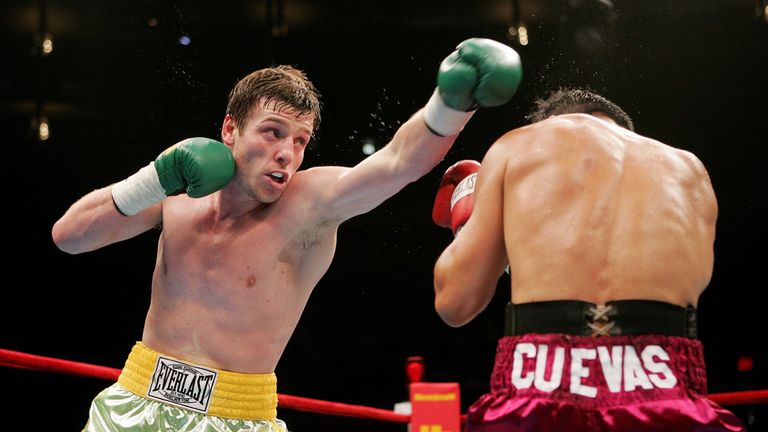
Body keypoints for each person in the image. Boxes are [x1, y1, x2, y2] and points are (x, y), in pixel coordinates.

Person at [51, 38, 522, 432]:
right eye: (273, 133)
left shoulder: (309, 204)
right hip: (134, 397)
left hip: (236, 415)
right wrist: (152, 179)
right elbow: (69, 237)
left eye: (299, 140)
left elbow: (399, 162)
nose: (287, 154)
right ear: (230, 129)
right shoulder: (178, 186)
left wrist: (451, 102)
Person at [431, 88, 745, 431]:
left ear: (547, 125)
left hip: (541, 388)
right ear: (626, 131)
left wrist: (467, 225)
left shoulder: (519, 145)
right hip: (666, 389)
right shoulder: (691, 170)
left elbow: (455, 304)